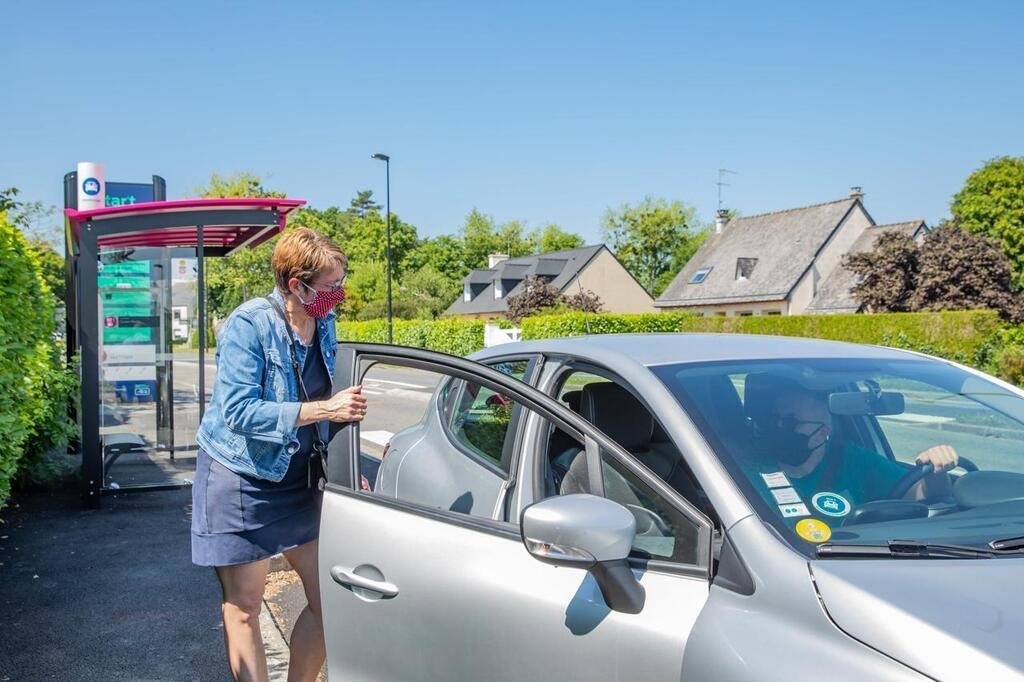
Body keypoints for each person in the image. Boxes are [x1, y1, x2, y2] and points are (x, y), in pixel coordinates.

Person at [191, 227, 367, 682]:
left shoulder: (323, 321)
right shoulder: (248, 324)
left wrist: (348, 467)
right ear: (297, 284)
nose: (338, 295)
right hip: (243, 478)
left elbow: (328, 394)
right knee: (245, 606)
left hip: (300, 480)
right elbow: (238, 411)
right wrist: (322, 409)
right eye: (331, 286)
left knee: (330, 602)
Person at [762, 381, 958, 505]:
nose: (780, 427)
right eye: (775, 419)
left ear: (823, 433)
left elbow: (922, 496)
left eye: (791, 421)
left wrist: (936, 468)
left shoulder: (855, 460)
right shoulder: (750, 463)